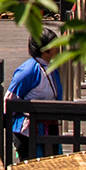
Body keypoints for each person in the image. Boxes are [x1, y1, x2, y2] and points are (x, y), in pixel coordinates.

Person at [7, 34, 62, 163]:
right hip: (29, 129)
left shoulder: (52, 67)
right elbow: (10, 100)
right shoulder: (28, 71)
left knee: (51, 165)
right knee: (31, 166)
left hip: (50, 124)